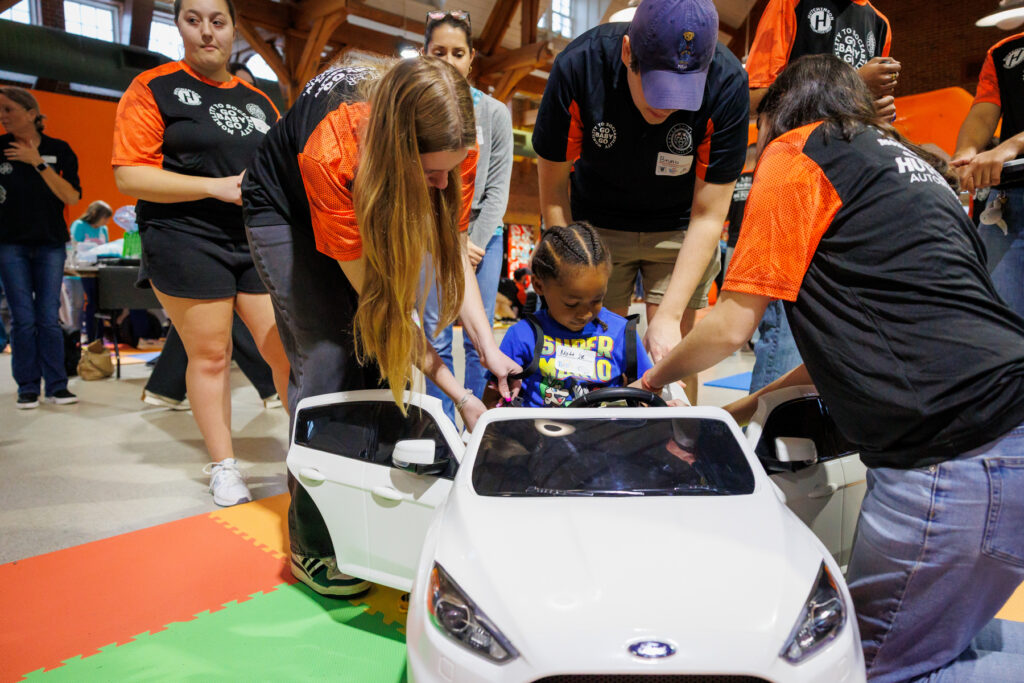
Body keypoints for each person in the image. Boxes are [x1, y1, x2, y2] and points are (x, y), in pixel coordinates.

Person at [637, 54, 1024, 682]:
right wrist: (743, 407)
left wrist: (652, 381)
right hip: (1007, 436)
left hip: (948, 458)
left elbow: (733, 324)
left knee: (853, 666)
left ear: (778, 118)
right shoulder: (913, 171)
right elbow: (871, 344)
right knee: (943, 643)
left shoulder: (797, 152)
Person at [242, 57, 521, 597]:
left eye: (451, 170)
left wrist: (489, 346)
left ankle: (371, 508)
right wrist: (458, 392)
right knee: (329, 360)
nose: (444, 182)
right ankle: (314, 546)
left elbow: (450, 256)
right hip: (287, 208)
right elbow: (384, 309)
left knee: (373, 364)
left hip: (364, 186)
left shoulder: (451, 146)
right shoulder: (335, 151)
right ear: (397, 151)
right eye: (432, 171)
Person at [112, 0, 291, 507]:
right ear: (180, 26)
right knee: (212, 354)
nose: (207, 32)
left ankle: (304, 450)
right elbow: (129, 175)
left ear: (234, 28)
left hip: (254, 238)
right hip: (184, 236)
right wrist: (213, 187)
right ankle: (224, 466)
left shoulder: (261, 102)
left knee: (281, 350)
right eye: (195, 20)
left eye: (218, 21)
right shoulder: (153, 88)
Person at [532, 0, 749, 405]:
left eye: (683, 93)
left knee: (674, 356)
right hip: (595, 227)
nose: (667, 107)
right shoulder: (579, 66)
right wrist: (571, 265)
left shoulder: (727, 82)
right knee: (588, 357)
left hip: (680, 227)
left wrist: (666, 317)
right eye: (658, 88)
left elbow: (709, 215)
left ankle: (676, 452)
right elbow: (553, 191)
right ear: (628, 52)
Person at [744, 0, 898, 392]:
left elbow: (858, 113)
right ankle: (763, 449)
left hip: (852, 184)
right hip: (794, 177)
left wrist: (875, 114)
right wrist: (852, 84)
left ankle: (812, 440)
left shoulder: (877, 21)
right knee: (785, 330)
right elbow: (753, 98)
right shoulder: (789, 5)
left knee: (834, 330)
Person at [420, 10, 514, 423]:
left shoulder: (494, 113)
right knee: (436, 334)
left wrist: (471, 241)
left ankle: (481, 422)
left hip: (482, 236)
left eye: (457, 52)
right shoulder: (417, 109)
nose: (448, 60)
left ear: (471, 58)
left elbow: (496, 186)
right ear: (424, 54)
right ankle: (441, 423)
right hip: (428, 230)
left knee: (481, 338)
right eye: (438, 51)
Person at [497, 223, 653, 407]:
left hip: (606, 432)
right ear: (539, 286)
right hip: (541, 433)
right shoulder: (522, 336)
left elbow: (647, 390)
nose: (585, 313)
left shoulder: (621, 333)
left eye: (597, 300)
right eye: (572, 304)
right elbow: (494, 401)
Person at [0, 86, 82, 409]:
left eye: (9, 110)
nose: (3, 117)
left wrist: (37, 162)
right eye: (2, 111)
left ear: (32, 114)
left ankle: (58, 385)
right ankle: (28, 387)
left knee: (48, 316)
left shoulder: (59, 150)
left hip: (50, 245)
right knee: (23, 318)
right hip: (9, 246)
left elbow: (72, 197)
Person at [953, 32, 1024, 317]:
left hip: (1008, 170)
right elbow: (982, 114)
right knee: (995, 316)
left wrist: (1014, 144)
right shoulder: (1004, 52)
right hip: (1010, 199)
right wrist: (964, 154)